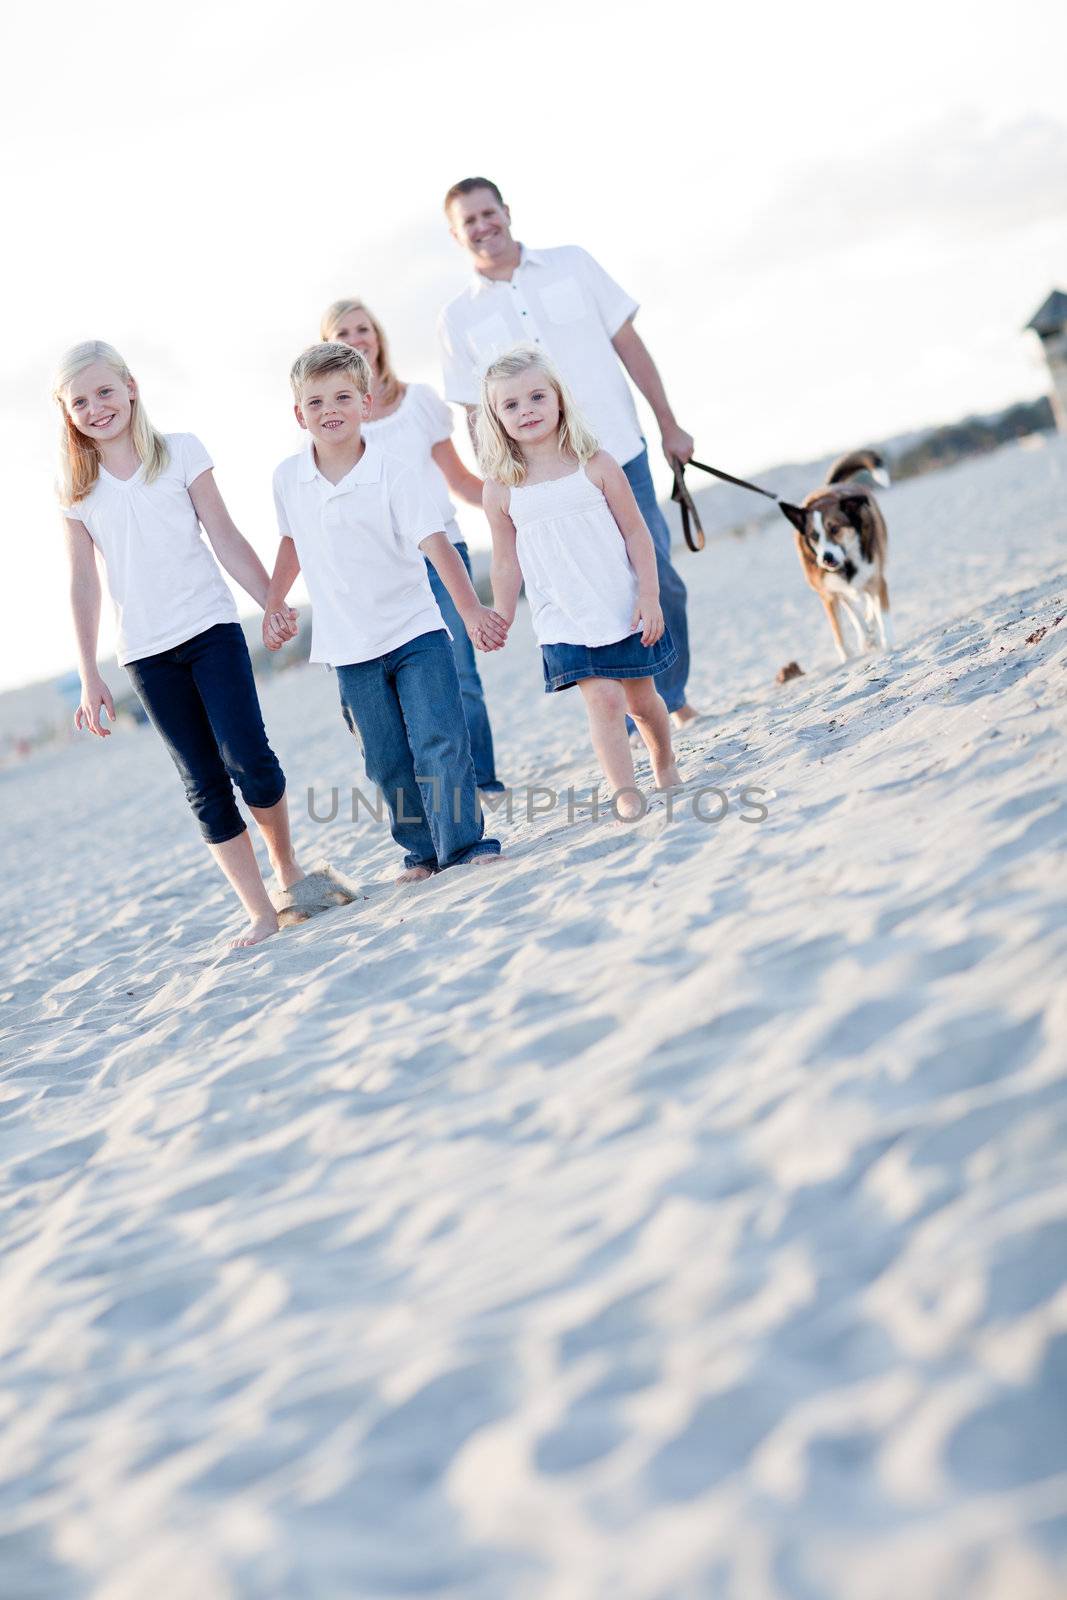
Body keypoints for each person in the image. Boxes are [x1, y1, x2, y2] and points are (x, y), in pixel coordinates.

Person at [53, 340, 305, 949]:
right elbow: (83, 584)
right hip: (144, 653)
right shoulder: (75, 490)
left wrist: (271, 600)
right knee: (202, 782)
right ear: (68, 413)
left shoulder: (182, 452)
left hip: (212, 630)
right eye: (80, 401)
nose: (96, 407)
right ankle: (259, 911)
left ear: (132, 386)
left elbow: (223, 534)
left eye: (105, 391)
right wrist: (91, 675)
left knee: (250, 758)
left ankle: (286, 866)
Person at [437, 176, 700, 730]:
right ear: (457, 235)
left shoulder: (572, 264)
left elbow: (629, 344)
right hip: (539, 482)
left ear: (506, 212)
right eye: (470, 222)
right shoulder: (457, 318)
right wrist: (497, 482)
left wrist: (670, 424)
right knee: (584, 593)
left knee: (658, 576)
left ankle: (666, 698)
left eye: (489, 213)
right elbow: (474, 412)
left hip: (615, 453)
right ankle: (625, 717)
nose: (484, 227)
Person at [263, 342, 507, 882]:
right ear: (298, 413)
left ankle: (465, 845)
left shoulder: (394, 471)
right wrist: (275, 601)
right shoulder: (288, 478)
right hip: (348, 647)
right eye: (317, 401)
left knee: (439, 740)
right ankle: (421, 852)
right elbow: (291, 543)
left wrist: (469, 611)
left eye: (344, 397)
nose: (331, 410)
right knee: (387, 760)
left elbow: (436, 544)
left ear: (366, 404)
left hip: (416, 631)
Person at [478, 345, 682, 821]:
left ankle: (663, 761)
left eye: (536, 397)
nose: (525, 410)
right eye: (510, 405)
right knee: (605, 699)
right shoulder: (502, 487)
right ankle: (625, 791)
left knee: (642, 699)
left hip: (621, 603)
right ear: (495, 417)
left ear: (559, 400)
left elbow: (637, 532)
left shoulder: (596, 464)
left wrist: (649, 595)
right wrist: (502, 614)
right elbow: (506, 562)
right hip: (563, 615)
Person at [320, 298, 503, 794]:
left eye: (363, 328)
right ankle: (433, 788)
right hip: (378, 571)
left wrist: (510, 501)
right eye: (343, 333)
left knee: (459, 672)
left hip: (442, 552)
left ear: (378, 336)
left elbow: (459, 479)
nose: (356, 338)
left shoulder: (419, 401)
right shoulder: (330, 423)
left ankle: (480, 780)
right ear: (327, 346)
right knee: (399, 689)